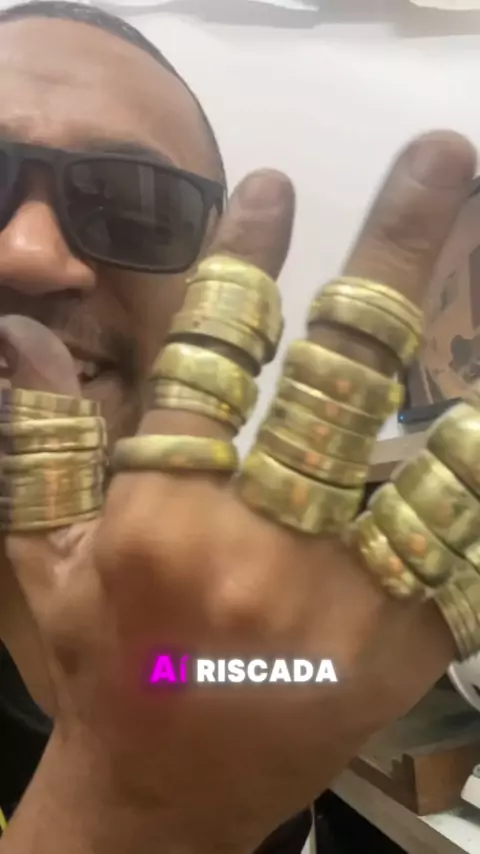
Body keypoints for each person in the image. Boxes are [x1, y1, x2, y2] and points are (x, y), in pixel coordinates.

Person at [0, 2, 476, 853]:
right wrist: (128, 809)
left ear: (206, 281)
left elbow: (202, 675)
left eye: (131, 205)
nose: (29, 254)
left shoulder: (203, 636)